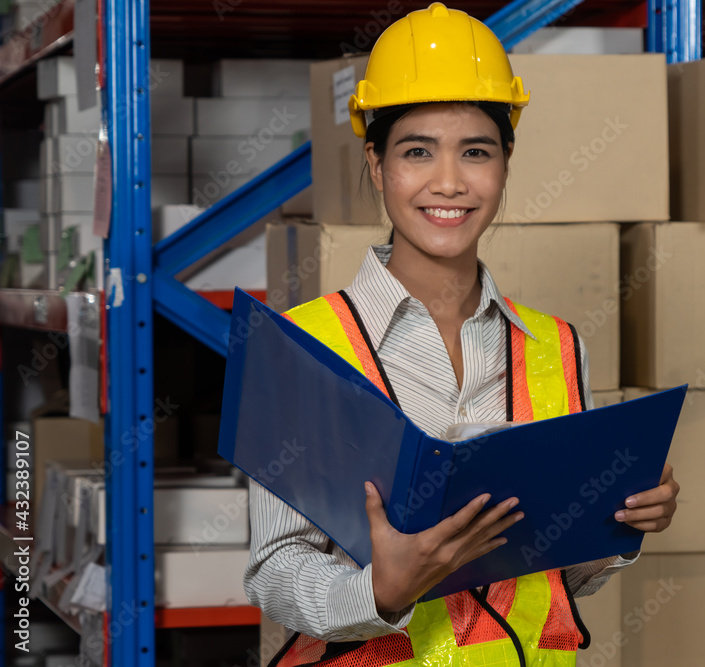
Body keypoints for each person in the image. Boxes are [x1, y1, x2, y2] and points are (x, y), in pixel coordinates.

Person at [243, 4, 680, 666]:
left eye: (476, 152)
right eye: (417, 151)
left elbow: (559, 574)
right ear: (375, 162)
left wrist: (622, 522)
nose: (449, 182)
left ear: (505, 162)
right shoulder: (304, 350)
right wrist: (379, 591)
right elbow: (275, 572)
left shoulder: (556, 347)